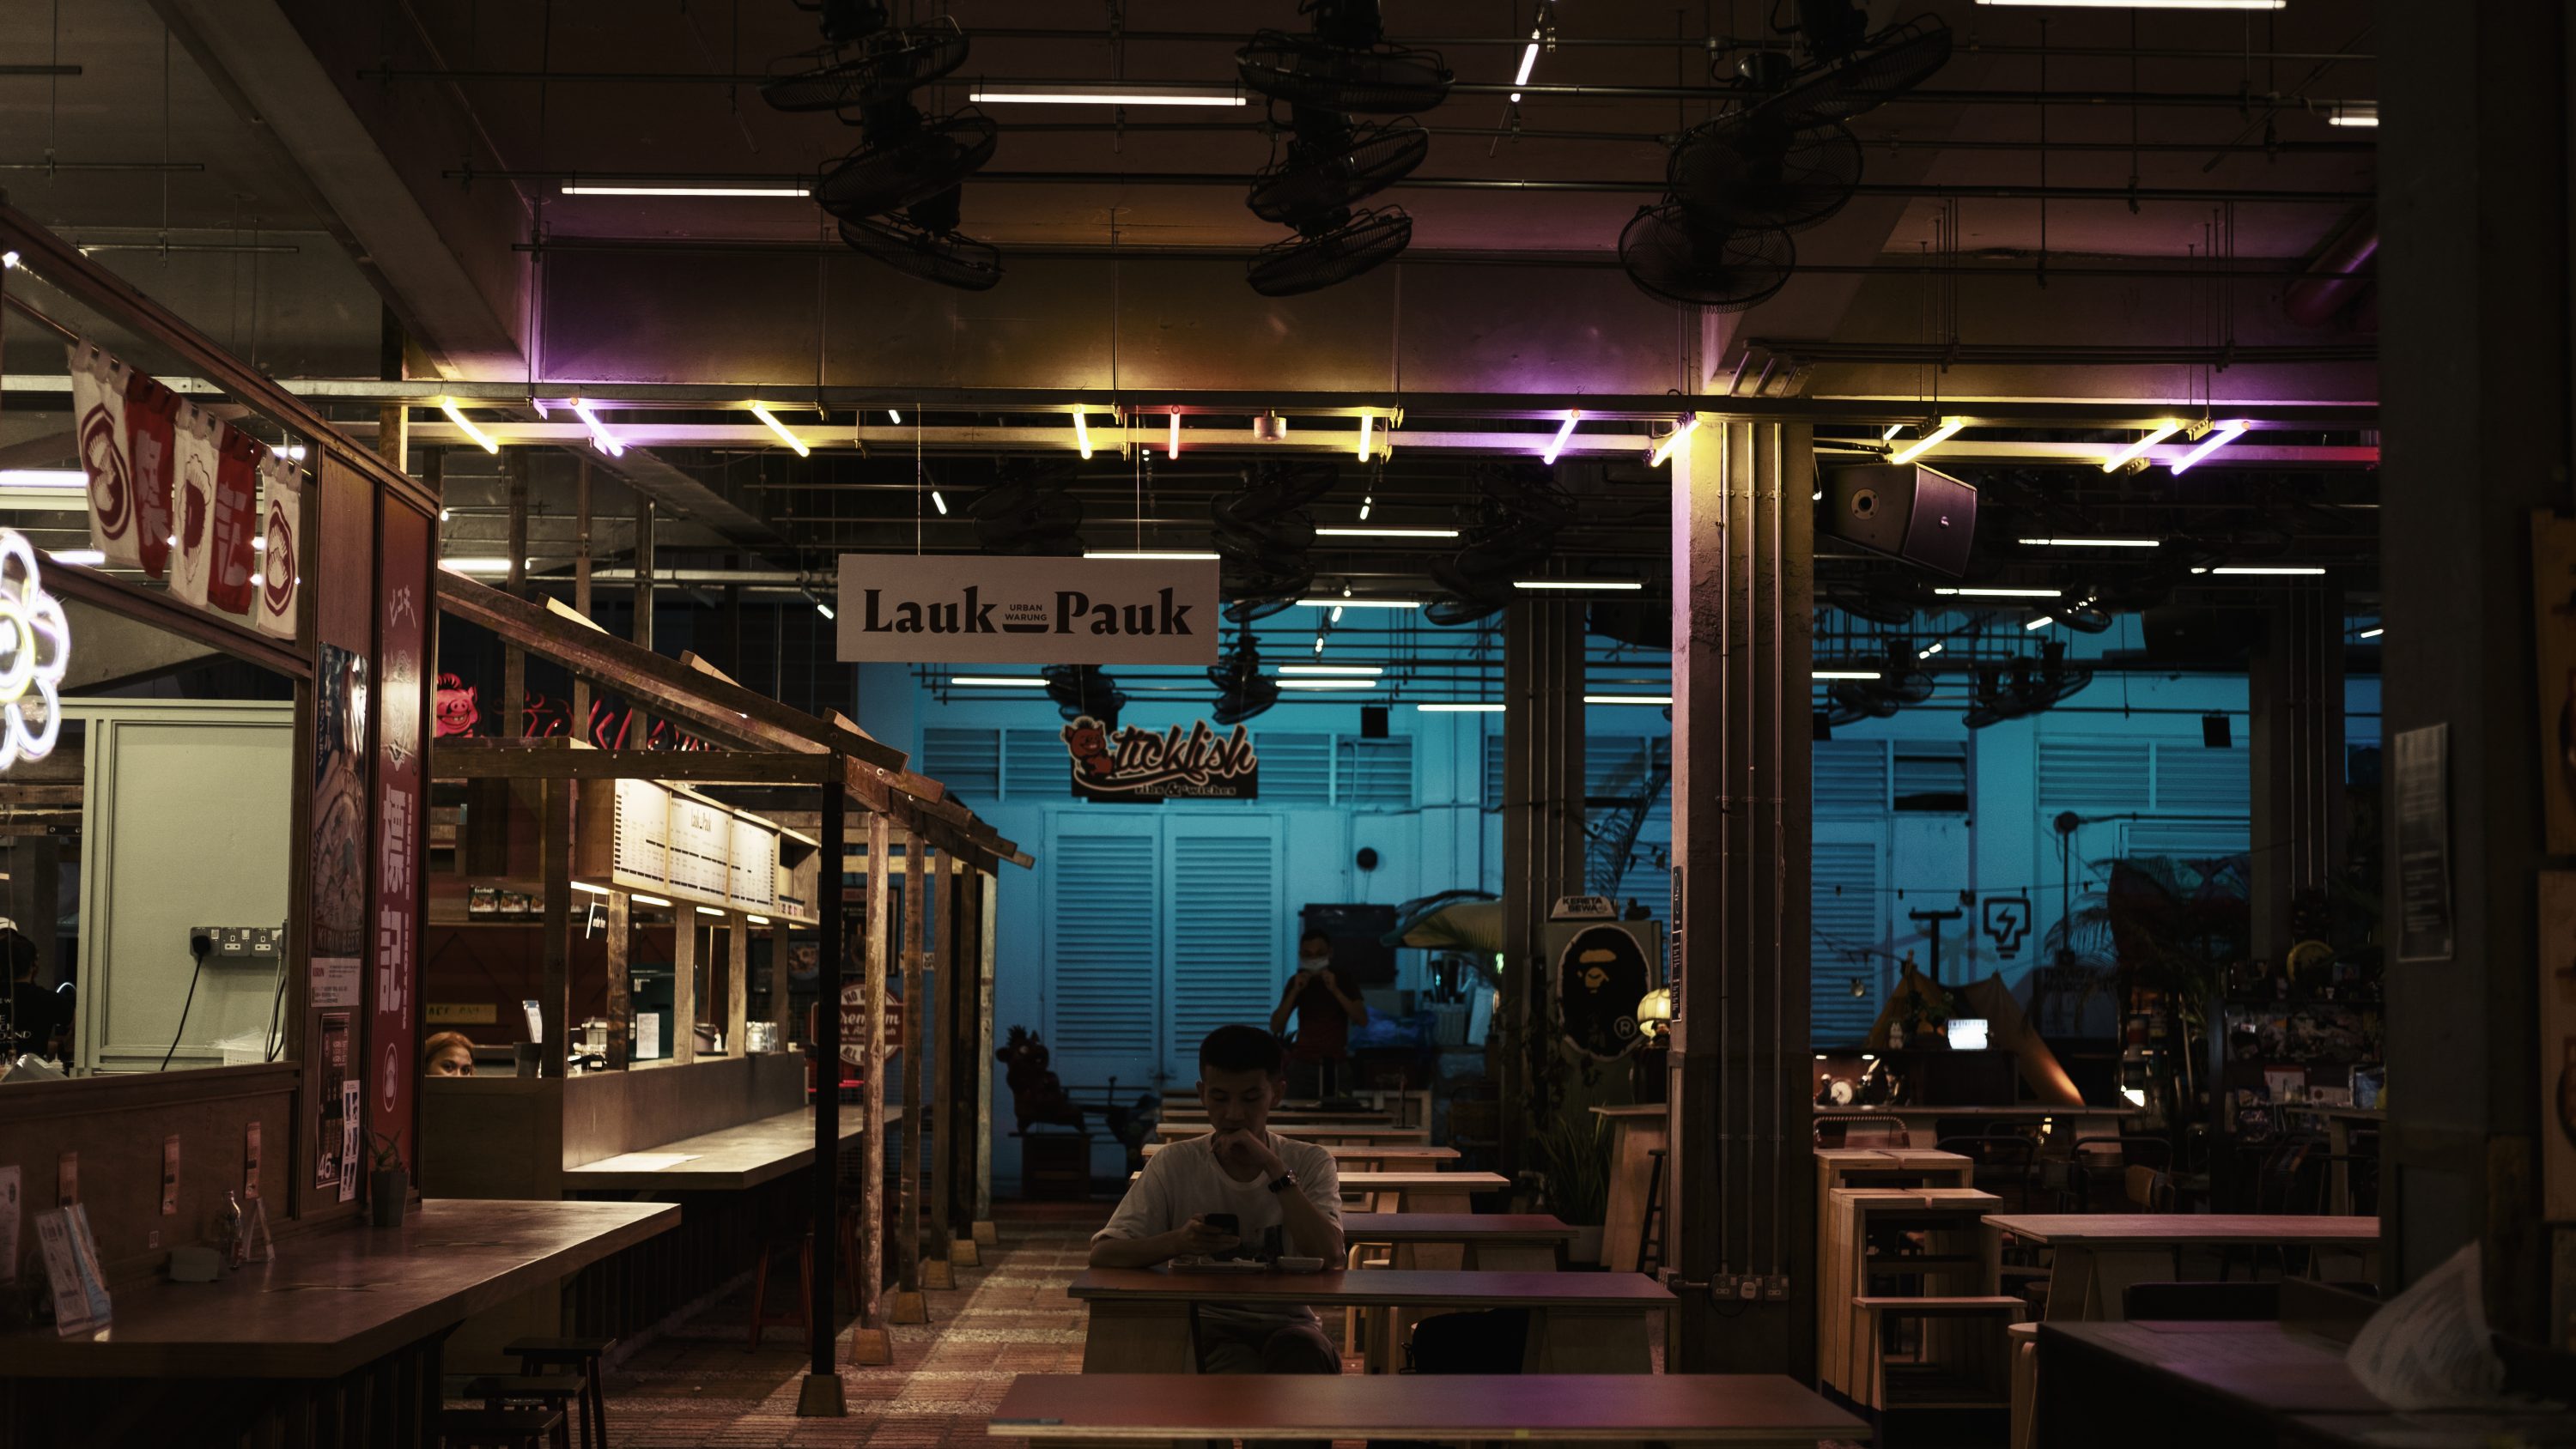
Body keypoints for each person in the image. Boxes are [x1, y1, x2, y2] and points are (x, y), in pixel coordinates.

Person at [1090, 1024, 1344, 1375]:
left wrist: (1273, 1168)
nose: (1234, 1114)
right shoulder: (1175, 1162)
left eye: (1250, 1099)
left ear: (1277, 1094)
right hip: (1205, 1322)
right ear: (1202, 1094)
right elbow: (1104, 1253)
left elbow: (1331, 1255)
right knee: (1231, 1368)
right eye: (1220, 1098)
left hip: (1290, 1323)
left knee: (1305, 1359)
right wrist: (1179, 1241)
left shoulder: (1310, 1161)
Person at [1269, 929, 1364, 1099]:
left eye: (1320, 954)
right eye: (1308, 955)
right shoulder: (1297, 981)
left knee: (1340, 1113)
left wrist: (1335, 990)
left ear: (1330, 953)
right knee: (1295, 1112)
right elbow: (1276, 1026)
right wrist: (1295, 991)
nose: (1314, 959)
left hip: (1336, 1063)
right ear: (1301, 955)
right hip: (1302, 1063)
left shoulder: (1343, 979)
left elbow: (1361, 1019)